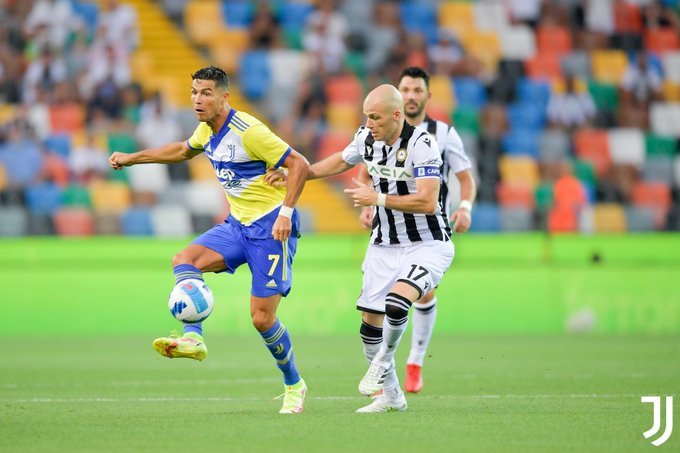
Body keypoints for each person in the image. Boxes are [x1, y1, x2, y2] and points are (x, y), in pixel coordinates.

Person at [109, 66, 310, 414]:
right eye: (194, 92)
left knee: (262, 319)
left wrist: (286, 214)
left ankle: (294, 384)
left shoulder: (249, 131)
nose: (197, 100)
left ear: (224, 97)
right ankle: (194, 337)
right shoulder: (206, 130)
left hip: (270, 228)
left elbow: (300, 164)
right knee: (184, 260)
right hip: (237, 226)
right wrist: (133, 159)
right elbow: (183, 150)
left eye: (206, 93)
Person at [267, 84, 455, 412]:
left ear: (396, 116)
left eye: (375, 118)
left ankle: (384, 358)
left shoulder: (422, 144)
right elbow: (340, 161)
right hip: (384, 244)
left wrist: (376, 198)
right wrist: (298, 175)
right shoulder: (367, 138)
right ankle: (392, 397)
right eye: (366, 116)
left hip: (427, 244)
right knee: (369, 326)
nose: (369, 123)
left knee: (397, 302)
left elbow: (428, 201)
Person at [356, 67, 476, 395]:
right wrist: (369, 206)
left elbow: (465, 178)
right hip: (388, 235)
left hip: (428, 230)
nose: (411, 95)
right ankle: (390, 388)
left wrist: (465, 207)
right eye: (405, 89)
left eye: (417, 90)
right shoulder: (378, 132)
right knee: (377, 310)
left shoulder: (442, 134)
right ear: (397, 96)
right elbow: (366, 172)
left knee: (417, 294)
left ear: (427, 96)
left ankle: (415, 361)